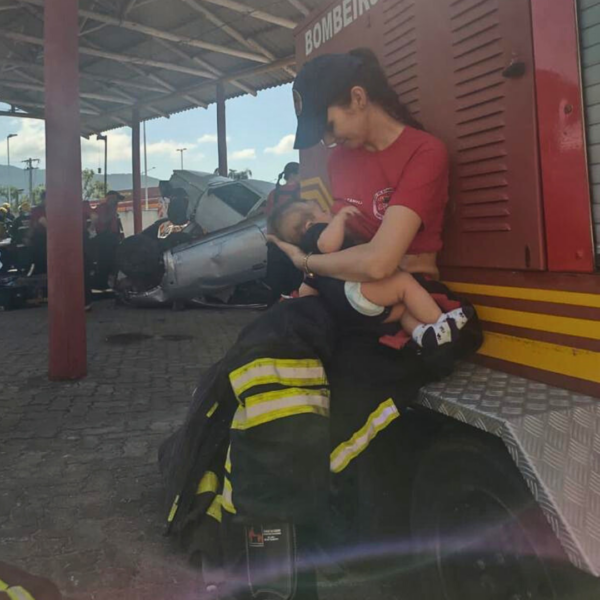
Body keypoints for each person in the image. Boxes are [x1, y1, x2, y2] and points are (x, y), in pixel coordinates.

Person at [160, 48, 483, 600]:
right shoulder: (340, 162)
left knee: (317, 417)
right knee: (255, 376)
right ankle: (263, 558)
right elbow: (351, 253)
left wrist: (308, 264)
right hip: (341, 300)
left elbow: (381, 262)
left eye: (330, 126)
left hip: (393, 310)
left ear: (359, 99)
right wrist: (313, 281)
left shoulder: (424, 154)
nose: (329, 142)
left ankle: (274, 566)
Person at [268, 200, 471, 350]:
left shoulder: (312, 262)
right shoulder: (317, 234)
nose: (328, 212)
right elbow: (327, 245)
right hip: (354, 292)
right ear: (310, 226)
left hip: (355, 311)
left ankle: (422, 332)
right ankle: (441, 322)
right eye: (322, 211)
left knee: (404, 309)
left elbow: (307, 291)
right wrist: (340, 218)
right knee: (404, 283)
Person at [264, 162, 304, 301]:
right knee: (295, 285)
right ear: (293, 175)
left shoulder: (274, 194)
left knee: (276, 284)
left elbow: (269, 218)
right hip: (296, 243)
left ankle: (274, 313)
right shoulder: (302, 192)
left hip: (276, 243)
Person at [91, 190, 124, 289]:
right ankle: (102, 286)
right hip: (105, 239)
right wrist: (112, 208)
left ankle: (110, 284)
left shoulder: (112, 209)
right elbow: (103, 220)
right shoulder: (102, 208)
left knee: (114, 263)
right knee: (105, 263)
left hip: (113, 238)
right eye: (116, 200)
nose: (117, 203)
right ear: (111, 198)